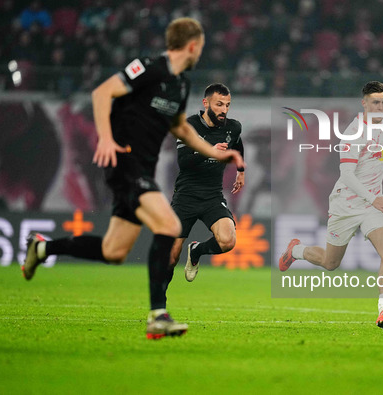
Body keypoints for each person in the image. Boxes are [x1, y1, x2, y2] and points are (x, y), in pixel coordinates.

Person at [22, 18, 244, 339]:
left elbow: (181, 128)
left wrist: (220, 153)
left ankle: (42, 249)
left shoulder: (181, 84)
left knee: (114, 251)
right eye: (202, 46)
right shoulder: (149, 68)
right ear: (193, 45)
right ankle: (158, 315)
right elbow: (102, 93)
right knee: (168, 227)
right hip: (124, 161)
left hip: (142, 167)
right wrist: (106, 138)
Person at [278, 81, 383, 328]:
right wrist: (373, 197)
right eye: (375, 102)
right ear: (364, 103)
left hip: (371, 206)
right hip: (345, 205)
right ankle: (295, 250)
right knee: (330, 263)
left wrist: (374, 199)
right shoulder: (354, 133)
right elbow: (347, 174)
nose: (380, 107)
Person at [169, 83, 244, 282]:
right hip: (186, 195)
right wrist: (210, 150)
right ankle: (159, 307)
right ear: (206, 103)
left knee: (228, 241)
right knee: (171, 257)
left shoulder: (232, 127)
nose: (224, 110)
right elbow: (184, 162)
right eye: (219, 104)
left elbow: (237, 144)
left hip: (212, 195)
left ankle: (196, 251)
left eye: (227, 105)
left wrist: (241, 171)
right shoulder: (189, 126)